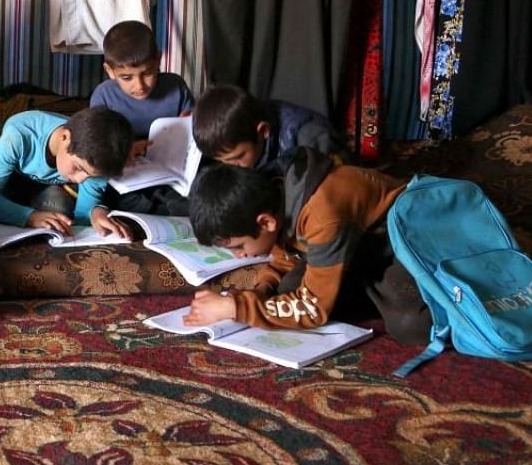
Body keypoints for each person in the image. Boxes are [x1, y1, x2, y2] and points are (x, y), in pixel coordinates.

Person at [183, 149, 431, 344]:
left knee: (410, 326)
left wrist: (235, 307)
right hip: (353, 248)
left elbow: (312, 307)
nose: (241, 256)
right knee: (287, 289)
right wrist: (262, 289)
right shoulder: (274, 193)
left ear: (265, 222)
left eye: (239, 246)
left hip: (404, 245)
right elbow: (286, 255)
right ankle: (360, 291)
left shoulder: (323, 213)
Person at [89, 20, 195, 215]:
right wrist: (123, 152)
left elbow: (195, 133)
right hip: (128, 174)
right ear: (110, 71)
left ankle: (177, 207)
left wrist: (192, 124)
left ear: (158, 60)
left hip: (172, 171)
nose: (139, 86)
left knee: (202, 183)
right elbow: (96, 146)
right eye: (127, 78)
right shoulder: (103, 96)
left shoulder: (175, 86)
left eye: (147, 73)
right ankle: (168, 210)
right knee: (121, 197)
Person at [0, 108, 134, 236]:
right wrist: (29, 217)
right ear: (65, 137)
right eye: (78, 168)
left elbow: (82, 216)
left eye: (91, 176)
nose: (80, 180)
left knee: (60, 218)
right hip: (8, 178)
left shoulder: (95, 161)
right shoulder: (19, 137)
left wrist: (96, 212)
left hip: (46, 187)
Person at [192, 84, 346, 176]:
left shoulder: (310, 140)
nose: (232, 167)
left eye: (238, 157)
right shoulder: (243, 133)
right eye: (223, 161)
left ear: (263, 131)